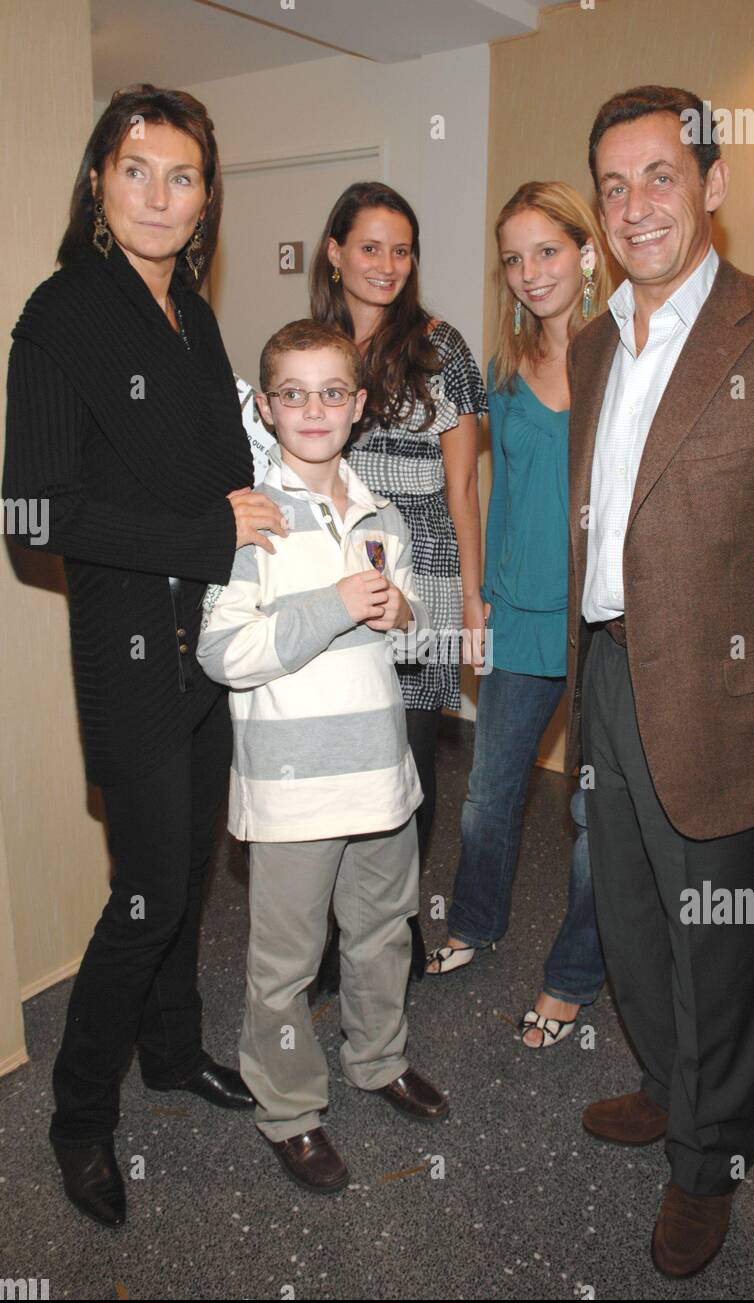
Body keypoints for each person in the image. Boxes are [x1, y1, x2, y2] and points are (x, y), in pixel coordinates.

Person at [566, 85, 754, 1277]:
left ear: (712, 182)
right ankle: (665, 1083)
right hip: (610, 676)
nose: (636, 205)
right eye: (614, 185)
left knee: (728, 951)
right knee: (637, 927)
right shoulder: (597, 343)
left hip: (739, 707)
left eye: (659, 175)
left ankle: (711, 1160)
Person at [2, 85, 288, 1229]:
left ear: (207, 195)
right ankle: (79, 1113)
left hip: (210, 638)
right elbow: (32, 514)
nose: (161, 195)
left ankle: (171, 1054)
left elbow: (215, 469)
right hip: (128, 644)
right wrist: (207, 531)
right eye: (138, 170)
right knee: (149, 891)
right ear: (98, 182)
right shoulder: (64, 312)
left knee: (183, 885)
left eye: (183, 175)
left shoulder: (195, 318)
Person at [197, 321, 448, 1194]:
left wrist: (399, 618)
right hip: (295, 790)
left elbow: (410, 626)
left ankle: (378, 1060)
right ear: (266, 409)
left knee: (382, 936)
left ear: (359, 405)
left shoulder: (379, 511)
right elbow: (223, 654)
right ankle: (290, 1110)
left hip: (380, 777)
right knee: (286, 968)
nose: (314, 409)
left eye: (331, 392)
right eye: (293, 394)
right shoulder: (251, 519)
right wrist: (333, 605)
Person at [425, 182, 607, 1049]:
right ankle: (471, 922)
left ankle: (573, 979)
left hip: (607, 623)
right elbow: (478, 489)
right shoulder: (500, 368)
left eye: (548, 250)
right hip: (516, 615)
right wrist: (477, 594)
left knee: (590, 814)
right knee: (488, 795)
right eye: (514, 257)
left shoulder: (627, 355)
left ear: (585, 251)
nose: (531, 272)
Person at [309, 183, 488, 984]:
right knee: (337, 755)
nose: (387, 264)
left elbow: (462, 489)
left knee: (408, 766)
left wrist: (473, 602)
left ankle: (398, 924)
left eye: (402, 249)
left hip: (428, 584)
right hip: (335, 578)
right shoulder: (309, 351)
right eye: (371, 246)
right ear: (335, 251)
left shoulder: (441, 347)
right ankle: (328, 935)